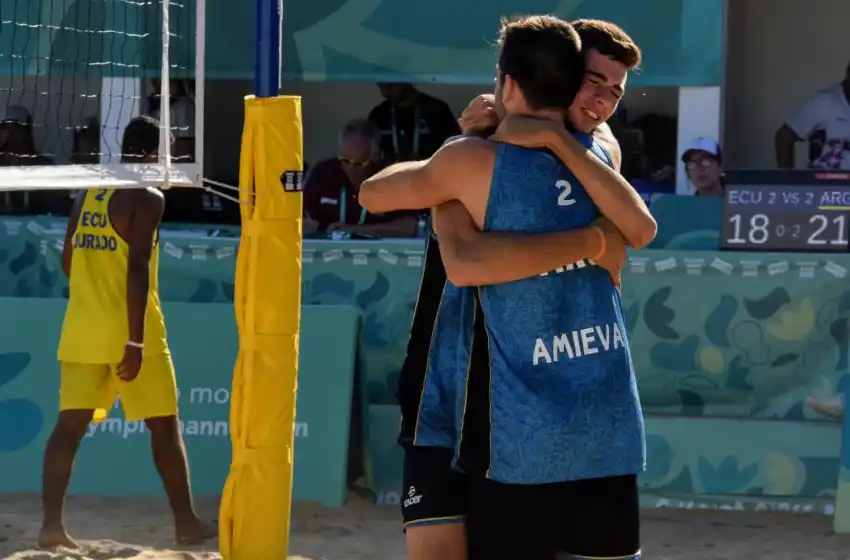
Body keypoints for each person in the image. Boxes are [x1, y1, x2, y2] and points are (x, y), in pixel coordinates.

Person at [361, 15, 651, 560]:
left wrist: (467, 168)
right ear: (559, 79)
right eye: (593, 83)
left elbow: (636, 224)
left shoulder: (590, 153)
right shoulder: (479, 152)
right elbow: (461, 257)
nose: (603, 102)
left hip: (515, 409)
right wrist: (591, 240)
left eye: (616, 92)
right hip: (445, 385)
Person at [38, 116, 215, 549]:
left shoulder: (89, 193)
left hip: (82, 329)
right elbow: (137, 272)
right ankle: (187, 523)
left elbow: (68, 263)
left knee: (69, 428)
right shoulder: (146, 197)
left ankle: (50, 528)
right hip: (134, 333)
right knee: (164, 429)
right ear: (154, 154)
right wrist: (134, 342)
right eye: (170, 152)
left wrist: (97, 283)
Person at [303, 118, 418, 238]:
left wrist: (354, 230)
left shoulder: (391, 176)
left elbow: (408, 227)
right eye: (345, 160)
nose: (351, 169)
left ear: (375, 156)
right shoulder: (323, 172)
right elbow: (297, 218)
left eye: (360, 163)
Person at [775, 62, 850, 169]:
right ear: (848, 74)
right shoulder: (824, 101)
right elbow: (784, 137)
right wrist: (787, 180)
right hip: (828, 181)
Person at [368, 83, 460, 162]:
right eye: (380, 87)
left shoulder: (436, 110)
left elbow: (455, 148)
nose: (385, 92)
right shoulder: (379, 115)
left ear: (405, 80)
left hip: (432, 177)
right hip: (391, 179)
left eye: (391, 86)